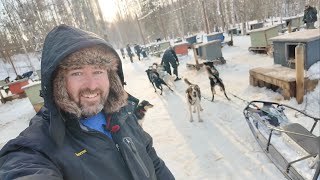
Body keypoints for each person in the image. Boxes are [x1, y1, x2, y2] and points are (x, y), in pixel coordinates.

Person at [0, 24, 175, 180]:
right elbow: (22, 167)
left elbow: (154, 162)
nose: (92, 85)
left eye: (98, 71)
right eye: (77, 73)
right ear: (58, 83)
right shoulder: (40, 143)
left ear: (111, 77)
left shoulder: (123, 114)